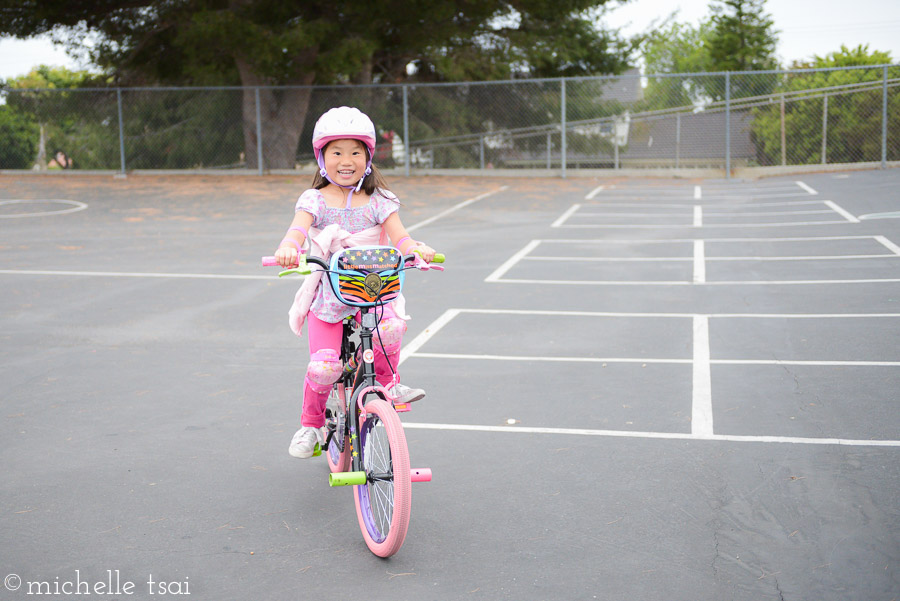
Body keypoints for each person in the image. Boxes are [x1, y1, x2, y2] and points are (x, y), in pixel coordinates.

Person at [274, 106, 436, 459]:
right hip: (330, 298)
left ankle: (388, 386)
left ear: (368, 157)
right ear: (321, 157)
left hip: (373, 291)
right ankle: (312, 426)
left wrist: (415, 248)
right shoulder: (314, 200)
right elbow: (298, 229)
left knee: (392, 328)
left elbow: (400, 237)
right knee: (324, 366)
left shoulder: (379, 201)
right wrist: (289, 246)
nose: (346, 160)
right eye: (336, 152)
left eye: (355, 152)